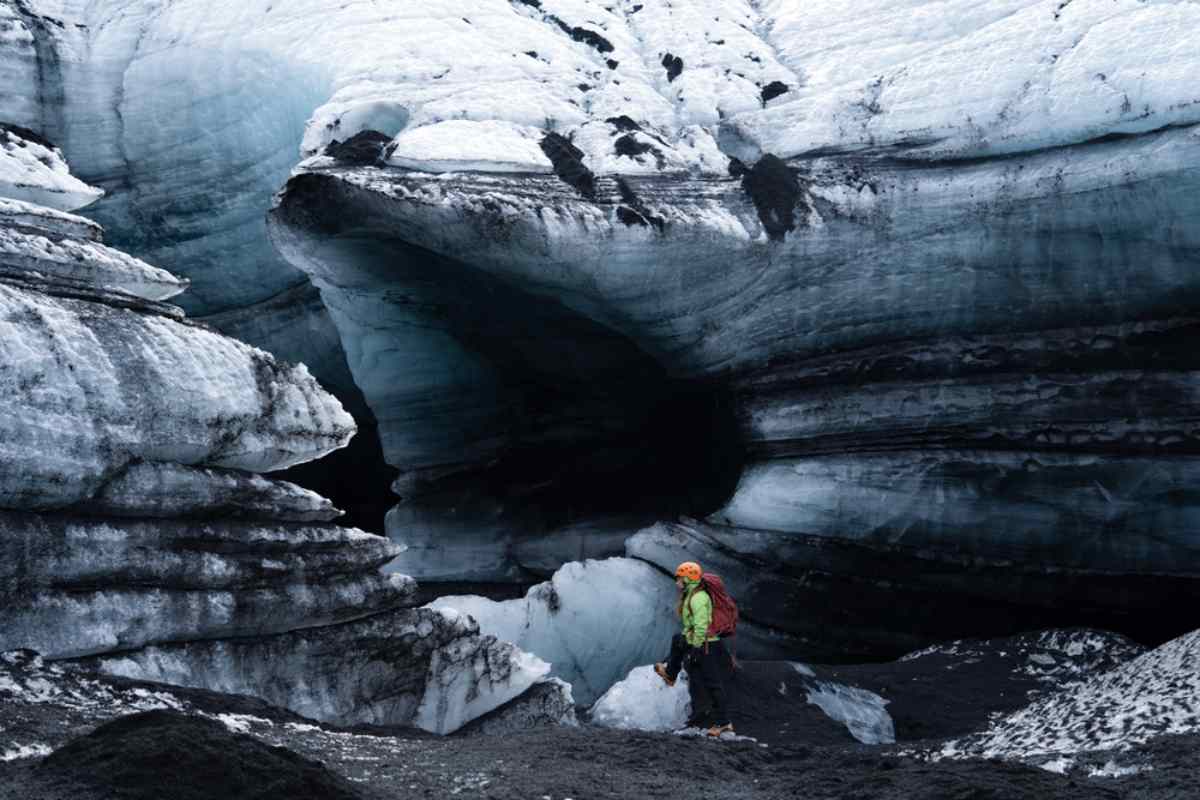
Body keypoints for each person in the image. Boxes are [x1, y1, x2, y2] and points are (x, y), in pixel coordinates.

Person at [653, 561, 734, 737]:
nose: (676, 582)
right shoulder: (691, 594)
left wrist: (697, 647)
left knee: (713, 684)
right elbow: (690, 626)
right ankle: (670, 673)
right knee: (678, 639)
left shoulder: (698, 598)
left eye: (679, 578)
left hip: (706, 644)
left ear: (688, 579)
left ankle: (724, 723)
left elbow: (701, 625)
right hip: (699, 642)